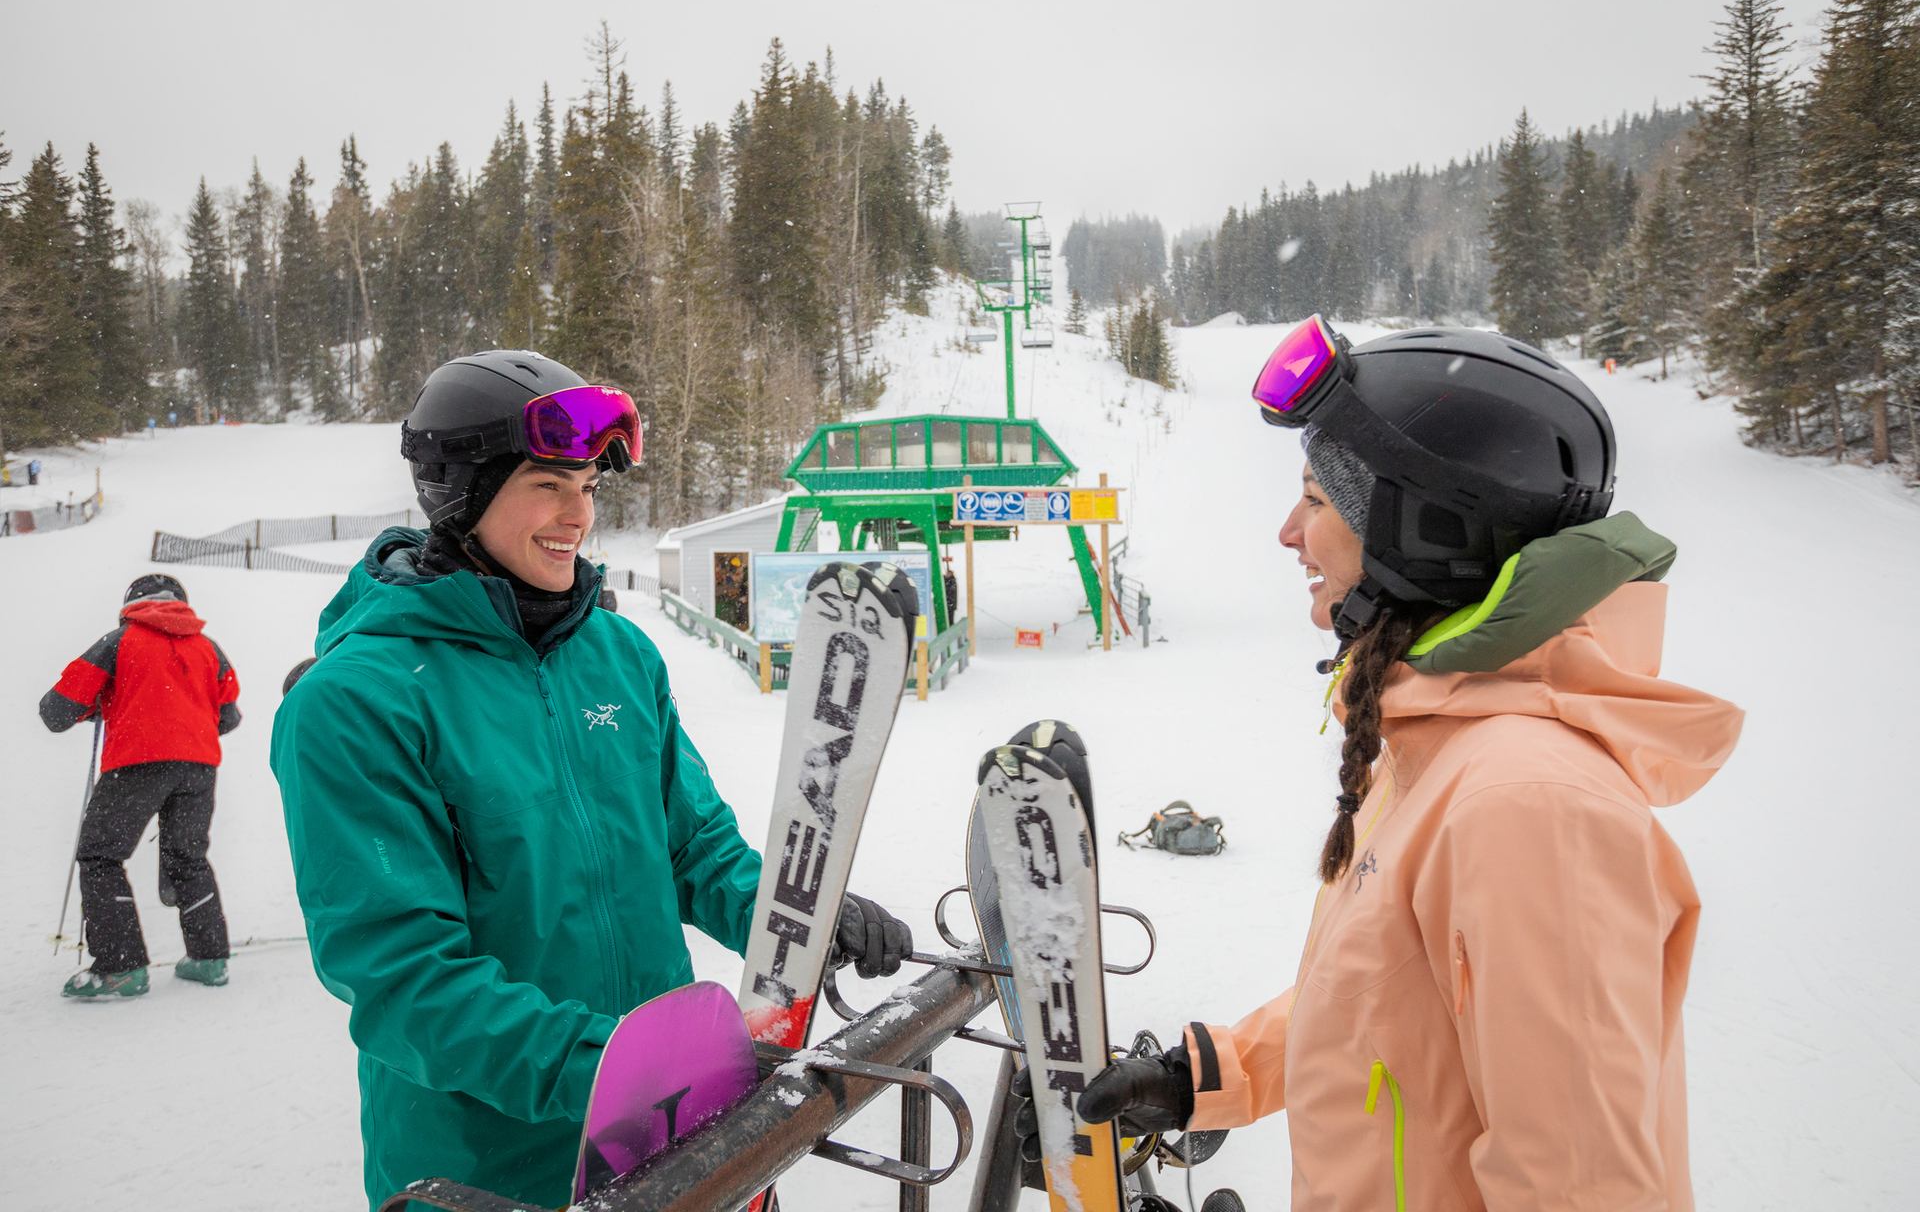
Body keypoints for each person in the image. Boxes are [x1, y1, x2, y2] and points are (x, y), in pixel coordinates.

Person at [1042, 320, 1743, 1209]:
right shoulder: (1443, 754)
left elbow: (1583, 1188)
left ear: (1420, 534)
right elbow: (1392, 1017)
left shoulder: (1526, 806)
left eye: (1319, 501)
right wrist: (1212, 1077)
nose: (1288, 533)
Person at [271, 350, 913, 1210]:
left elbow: (694, 848)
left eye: (590, 488)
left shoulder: (616, 655)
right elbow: (401, 978)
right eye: (547, 484)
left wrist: (800, 916)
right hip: (492, 1168)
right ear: (458, 492)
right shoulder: (355, 702)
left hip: (677, 1135)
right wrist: (615, 1070)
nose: (578, 516)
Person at [40, 573, 241, 999]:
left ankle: (121, 968)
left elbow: (56, 711)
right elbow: (229, 716)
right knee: (188, 859)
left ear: (131, 604)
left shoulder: (119, 641)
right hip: (199, 767)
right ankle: (209, 959)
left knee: (100, 857)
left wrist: (104, 704)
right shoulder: (209, 648)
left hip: (136, 763)